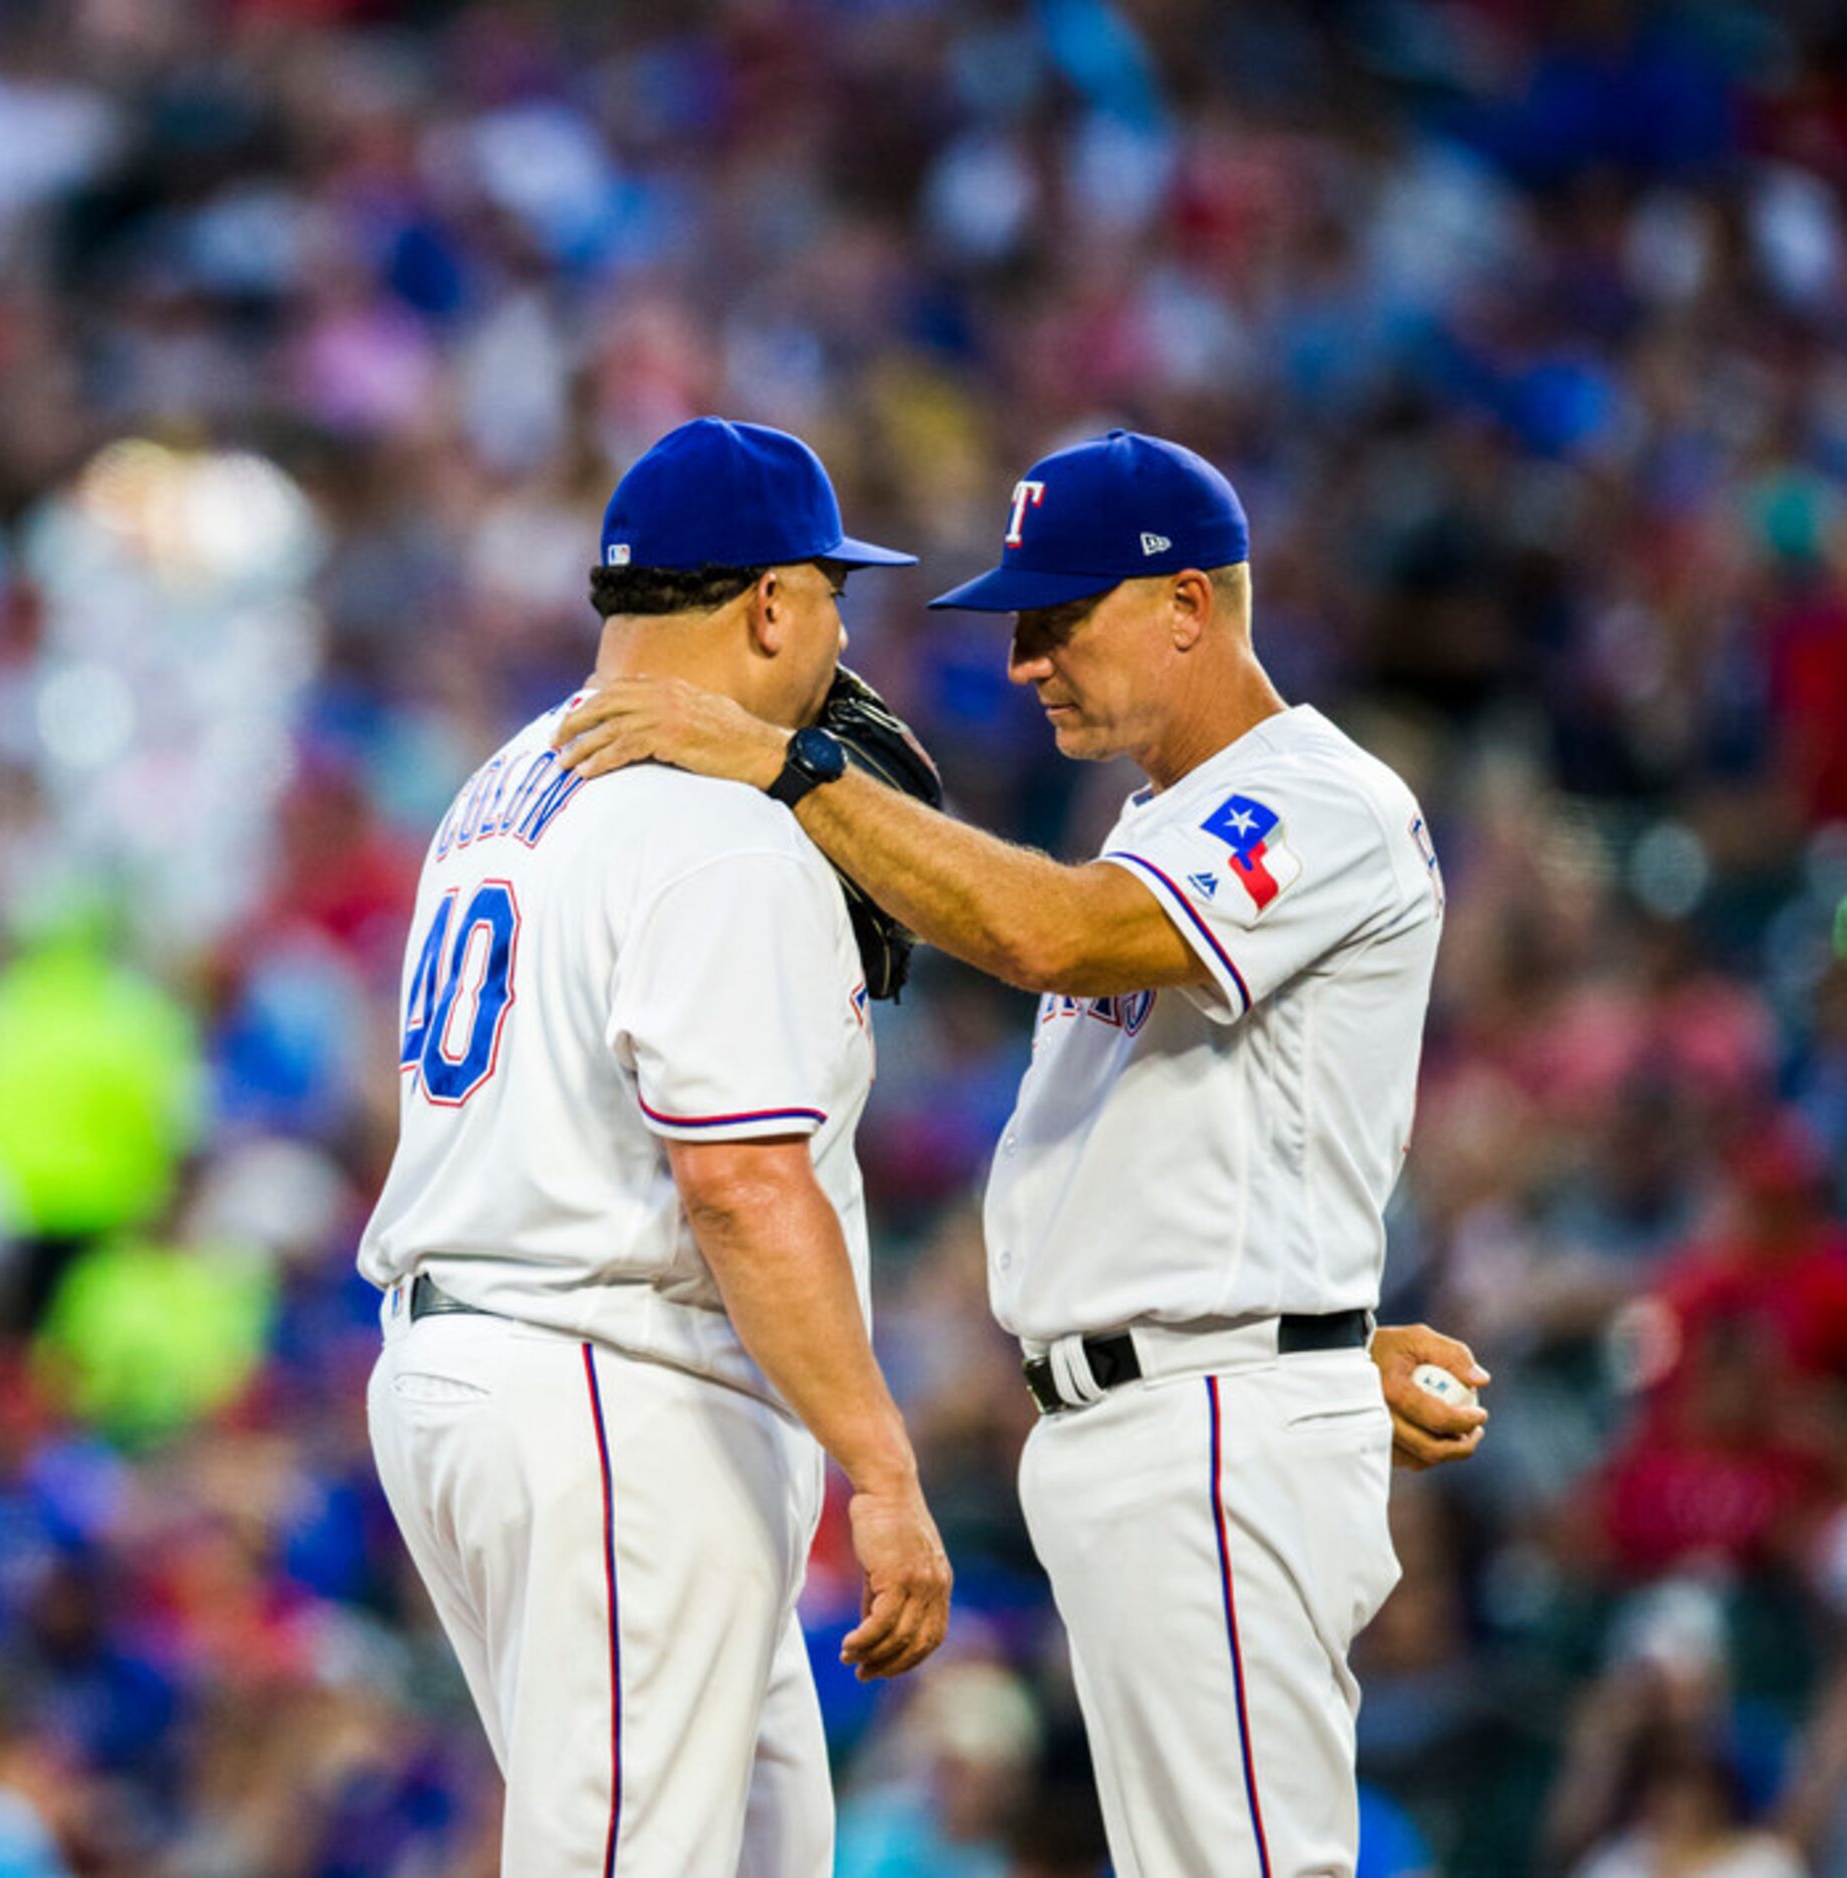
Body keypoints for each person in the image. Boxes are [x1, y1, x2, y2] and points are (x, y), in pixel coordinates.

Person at [556, 429, 1490, 1876]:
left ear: (1185, 604)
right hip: (1173, 1409)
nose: (1023, 658)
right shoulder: (1158, 822)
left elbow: (1048, 932)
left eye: (1060, 616)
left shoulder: (1311, 793)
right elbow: (1205, 1142)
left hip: (1210, 1430)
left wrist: (788, 768)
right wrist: (1316, 1333)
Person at [360, 417, 954, 1876]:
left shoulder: (501, 780)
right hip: (611, 1385)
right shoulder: (723, 827)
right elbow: (743, 1183)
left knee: (755, 1842)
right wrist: (881, 1466)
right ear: (764, 603)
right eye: (829, 593)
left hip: (481, 1359)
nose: (838, 632)